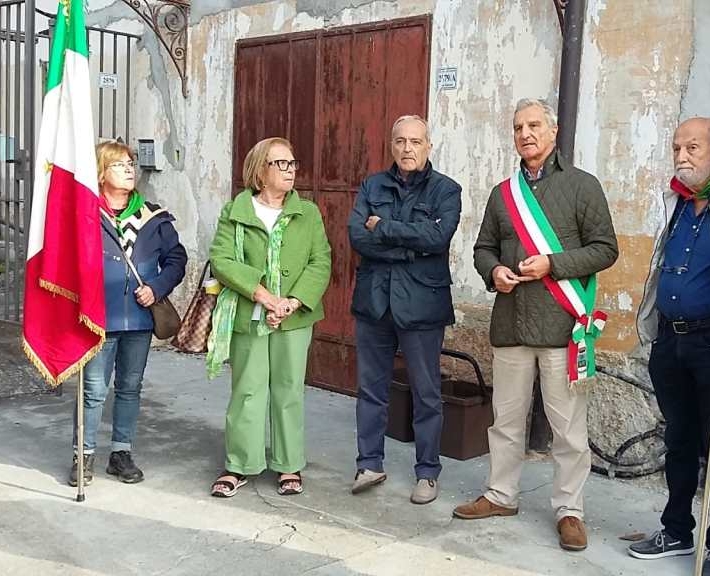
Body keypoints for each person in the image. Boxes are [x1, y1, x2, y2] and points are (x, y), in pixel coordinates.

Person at [454, 98, 619, 552]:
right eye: (517, 127)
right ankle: (500, 494)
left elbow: (606, 249)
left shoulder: (583, 186)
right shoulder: (502, 193)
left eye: (533, 125)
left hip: (562, 327)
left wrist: (553, 264)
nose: (525, 134)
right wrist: (493, 271)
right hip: (511, 324)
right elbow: (483, 248)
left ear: (553, 130)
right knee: (505, 421)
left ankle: (570, 511)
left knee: (568, 429)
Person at [628, 117, 710, 576]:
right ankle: (676, 530)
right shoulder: (676, 199)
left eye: (693, 147)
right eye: (677, 147)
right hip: (669, 340)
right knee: (677, 438)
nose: (682, 156)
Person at [207, 137, 332, 498]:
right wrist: (264, 296)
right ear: (260, 170)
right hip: (250, 313)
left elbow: (320, 261)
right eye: (281, 163)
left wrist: (292, 302)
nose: (290, 170)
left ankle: (288, 463)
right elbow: (222, 259)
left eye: (292, 163)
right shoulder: (236, 211)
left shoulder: (307, 212)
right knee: (248, 389)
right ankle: (239, 464)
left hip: (294, 317)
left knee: (289, 390)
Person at [348, 116, 462, 505]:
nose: (407, 148)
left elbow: (438, 237)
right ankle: (369, 464)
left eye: (415, 141)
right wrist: (410, 247)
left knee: (426, 393)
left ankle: (427, 472)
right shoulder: (372, 186)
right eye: (400, 141)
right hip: (375, 302)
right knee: (370, 389)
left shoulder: (447, 190)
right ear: (391, 145)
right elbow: (358, 237)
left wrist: (385, 228)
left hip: (422, 305)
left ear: (429, 145)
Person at [70, 140, 187, 486]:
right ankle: (83, 454)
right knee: (93, 390)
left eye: (131, 164)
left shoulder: (154, 217)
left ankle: (120, 453)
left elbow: (176, 259)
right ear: (101, 173)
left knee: (130, 387)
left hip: (139, 318)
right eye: (119, 165)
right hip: (97, 318)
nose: (129, 170)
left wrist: (157, 287)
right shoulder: (85, 214)